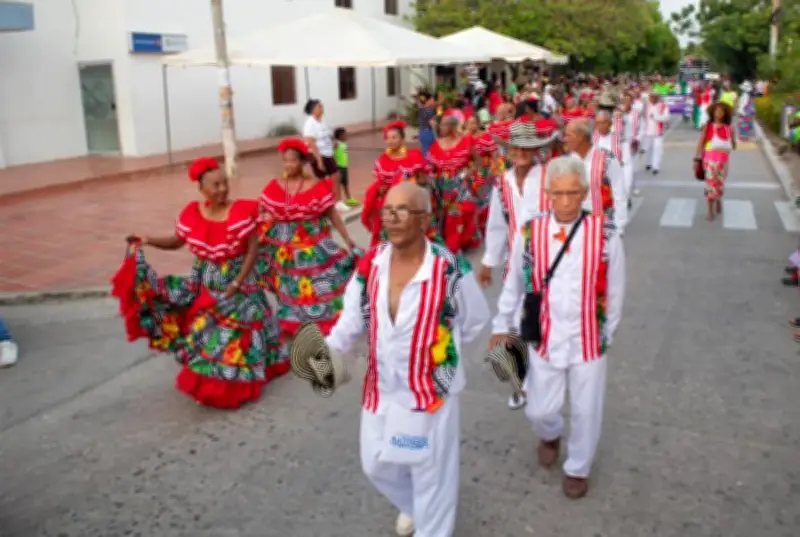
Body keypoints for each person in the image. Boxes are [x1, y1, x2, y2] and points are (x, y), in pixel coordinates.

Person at [323, 181, 490, 537]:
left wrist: (441, 357)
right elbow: (351, 319)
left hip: (429, 397)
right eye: (387, 210)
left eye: (403, 210)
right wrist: (330, 350)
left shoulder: (450, 270)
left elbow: (474, 322)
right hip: (382, 390)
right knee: (377, 463)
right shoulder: (372, 264)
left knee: (430, 473)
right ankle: (416, 507)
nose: (392, 218)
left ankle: (432, 526)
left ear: (425, 220)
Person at [490, 155, 625, 499]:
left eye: (573, 193)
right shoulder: (530, 232)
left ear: (585, 193)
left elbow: (616, 290)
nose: (565, 202)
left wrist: (605, 333)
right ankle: (550, 433)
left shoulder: (606, 234)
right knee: (539, 409)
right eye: (558, 193)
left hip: (588, 339)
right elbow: (514, 284)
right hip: (545, 337)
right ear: (548, 193)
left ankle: (578, 467)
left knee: (586, 410)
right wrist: (502, 325)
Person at [111, 157, 288, 409]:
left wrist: (237, 283)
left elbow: (252, 249)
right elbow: (176, 241)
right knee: (208, 335)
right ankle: (213, 382)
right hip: (206, 285)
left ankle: (235, 386)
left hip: (240, 286)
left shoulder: (242, 212)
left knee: (235, 337)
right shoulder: (192, 215)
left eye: (225, 183)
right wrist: (148, 240)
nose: (223, 189)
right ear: (202, 189)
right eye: (216, 185)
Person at [480, 120, 559, 410]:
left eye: (527, 148)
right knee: (513, 321)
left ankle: (545, 378)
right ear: (509, 150)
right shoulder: (502, 183)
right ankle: (521, 382)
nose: (521, 153)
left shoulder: (551, 177)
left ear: (537, 150)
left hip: (549, 263)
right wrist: (489, 261)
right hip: (515, 265)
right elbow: (496, 225)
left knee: (541, 322)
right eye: (516, 147)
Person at [257, 139, 361, 340]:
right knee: (291, 287)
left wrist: (347, 238)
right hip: (285, 250)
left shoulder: (316, 186)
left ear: (303, 162)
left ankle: (320, 320)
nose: (289, 165)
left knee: (315, 286)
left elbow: (332, 214)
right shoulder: (274, 187)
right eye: (286, 161)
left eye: (293, 161)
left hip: (311, 247)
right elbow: (260, 212)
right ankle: (294, 322)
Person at [362, 121, 427, 248]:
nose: (390, 141)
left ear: (402, 139)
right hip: (388, 203)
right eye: (388, 138)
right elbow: (379, 183)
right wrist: (380, 190)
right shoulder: (383, 159)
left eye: (394, 137)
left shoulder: (413, 156)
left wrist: (410, 183)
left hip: (409, 202)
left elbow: (423, 180)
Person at [564, 119, 628, 234]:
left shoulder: (606, 158)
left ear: (580, 137)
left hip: (603, 227)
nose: (565, 139)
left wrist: (619, 226)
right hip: (574, 227)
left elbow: (619, 192)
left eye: (568, 135)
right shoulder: (567, 160)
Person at [426, 112, 479, 253]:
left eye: (444, 124)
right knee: (442, 217)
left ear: (452, 126)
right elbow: (430, 167)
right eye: (441, 124)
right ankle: (446, 244)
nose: (441, 127)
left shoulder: (466, 142)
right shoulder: (436, 145)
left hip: (460, 186)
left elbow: (477, 162)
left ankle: (456, 245)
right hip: (441, 187)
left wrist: (470, 171)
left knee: (459, 213)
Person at [695, 101, 736, 221]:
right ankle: (710, 210)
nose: (719, 113)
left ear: (725, 114)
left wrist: (731, 141)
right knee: (711, 185)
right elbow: (701, 142)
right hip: (709, 160)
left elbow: (733, 146)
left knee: (720, 183)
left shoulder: (729, 128)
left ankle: (718, 199)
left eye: (722, 111)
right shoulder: (708, 126)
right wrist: (696, 158)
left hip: (723, 161)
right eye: (717, 111)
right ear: (713, 113)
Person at [303, 99, 346, 212]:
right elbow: (311, 143)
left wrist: (333, 143)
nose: (322, 109)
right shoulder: (310, 123)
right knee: (321, 180)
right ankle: (312, 200)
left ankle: (337, 202)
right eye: (319, 107)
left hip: (328, 153)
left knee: (336, 176)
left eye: (322, 106)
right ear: (313, 110)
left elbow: (328, 136)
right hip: (318, 155)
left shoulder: (322, 122)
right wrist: (319, 160)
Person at [641, 92, 670, 174]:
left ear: (658, 98)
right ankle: (648, 163)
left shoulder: (663, 106)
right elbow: (641, 118)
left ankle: (656, 167)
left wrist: (656, 117)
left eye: (654, 97)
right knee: (648, 148)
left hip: (658, 132)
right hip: (647, 131)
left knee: (657, 149)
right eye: (651, 97)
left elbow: (666, 117)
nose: (652, 99)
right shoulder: (646, 106)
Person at [333, 127, 359, 208]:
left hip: (344, 166)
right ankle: (337, 200)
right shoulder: (337, 144)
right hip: (339, 167)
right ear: (340, 136)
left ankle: (349, 198)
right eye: (344, 134)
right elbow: (332, 154)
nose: (346, 136)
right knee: (338, 184)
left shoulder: (344, 144)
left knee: (345, 183)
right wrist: (334, 165)